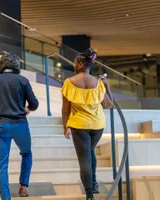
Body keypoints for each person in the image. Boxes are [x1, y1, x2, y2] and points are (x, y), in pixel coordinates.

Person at [0, 53, 39, 200]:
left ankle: (5, 198)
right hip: (20, 125)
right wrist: (27, 109)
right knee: (27, 153)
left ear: (1, 65)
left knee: (2, 165)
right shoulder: (23, 80)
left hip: (1, 126)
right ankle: (23, 187)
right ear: (16, 66)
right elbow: (34, 104)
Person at [61, 48, 113, 200]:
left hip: (79, 125)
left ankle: (89, 194)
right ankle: (94, 183)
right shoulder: (98, 83)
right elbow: (108, 105)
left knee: (84, 159)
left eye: (75, 63)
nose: (74, 66)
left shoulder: (69, 83)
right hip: (97, 125)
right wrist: (107, 86)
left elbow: (65, 109)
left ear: (82, 64)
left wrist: (66, 126)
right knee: (90, 152)